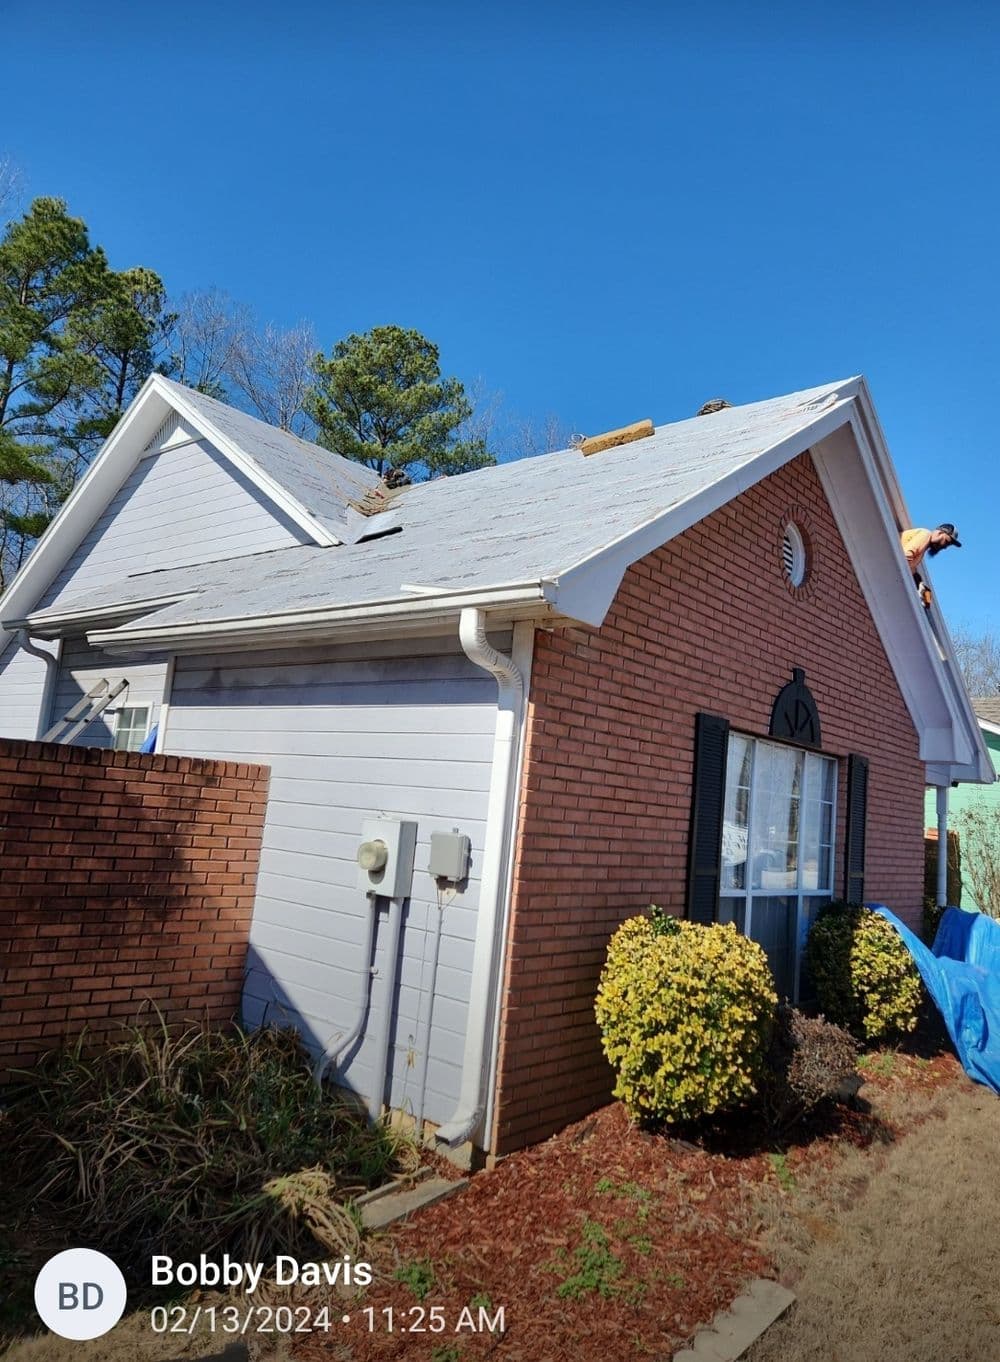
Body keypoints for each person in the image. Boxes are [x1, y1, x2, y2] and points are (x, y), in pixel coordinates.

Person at [900, 523, 962, 608]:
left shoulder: (924, 545)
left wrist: (920, 584)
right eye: (946, 542)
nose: (945, 547)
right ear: (940, 533)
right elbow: (904, 557)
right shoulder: (925, 535)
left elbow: (910, 568)